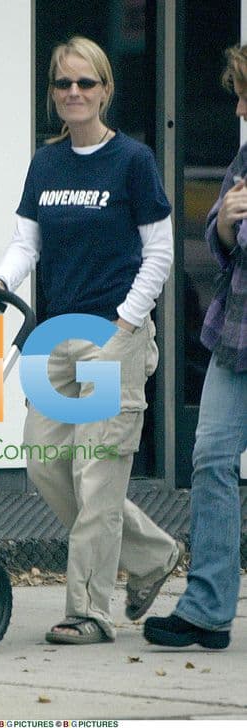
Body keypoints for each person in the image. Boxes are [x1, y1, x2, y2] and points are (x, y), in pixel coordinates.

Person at [0, 35, 183, 645]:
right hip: (54, 336)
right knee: (44, 462)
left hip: (111, 336)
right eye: (63, 84)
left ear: (106, 90)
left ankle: (89, 610)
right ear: (53, 94)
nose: (74, 93)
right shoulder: (47, 163)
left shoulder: (133, 161)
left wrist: (126, 322)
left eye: (86, 83)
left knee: (97, 472)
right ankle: (152, 556)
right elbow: (27, 244)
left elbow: (159, 253)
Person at [144, 44, 247, 650]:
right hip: (234, 341)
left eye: (244, 94)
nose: (238, 107)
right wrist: (229, 225)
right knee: (210, 459)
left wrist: (238, 224)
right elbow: (214, 235)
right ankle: (208, 610)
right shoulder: (243, 156)